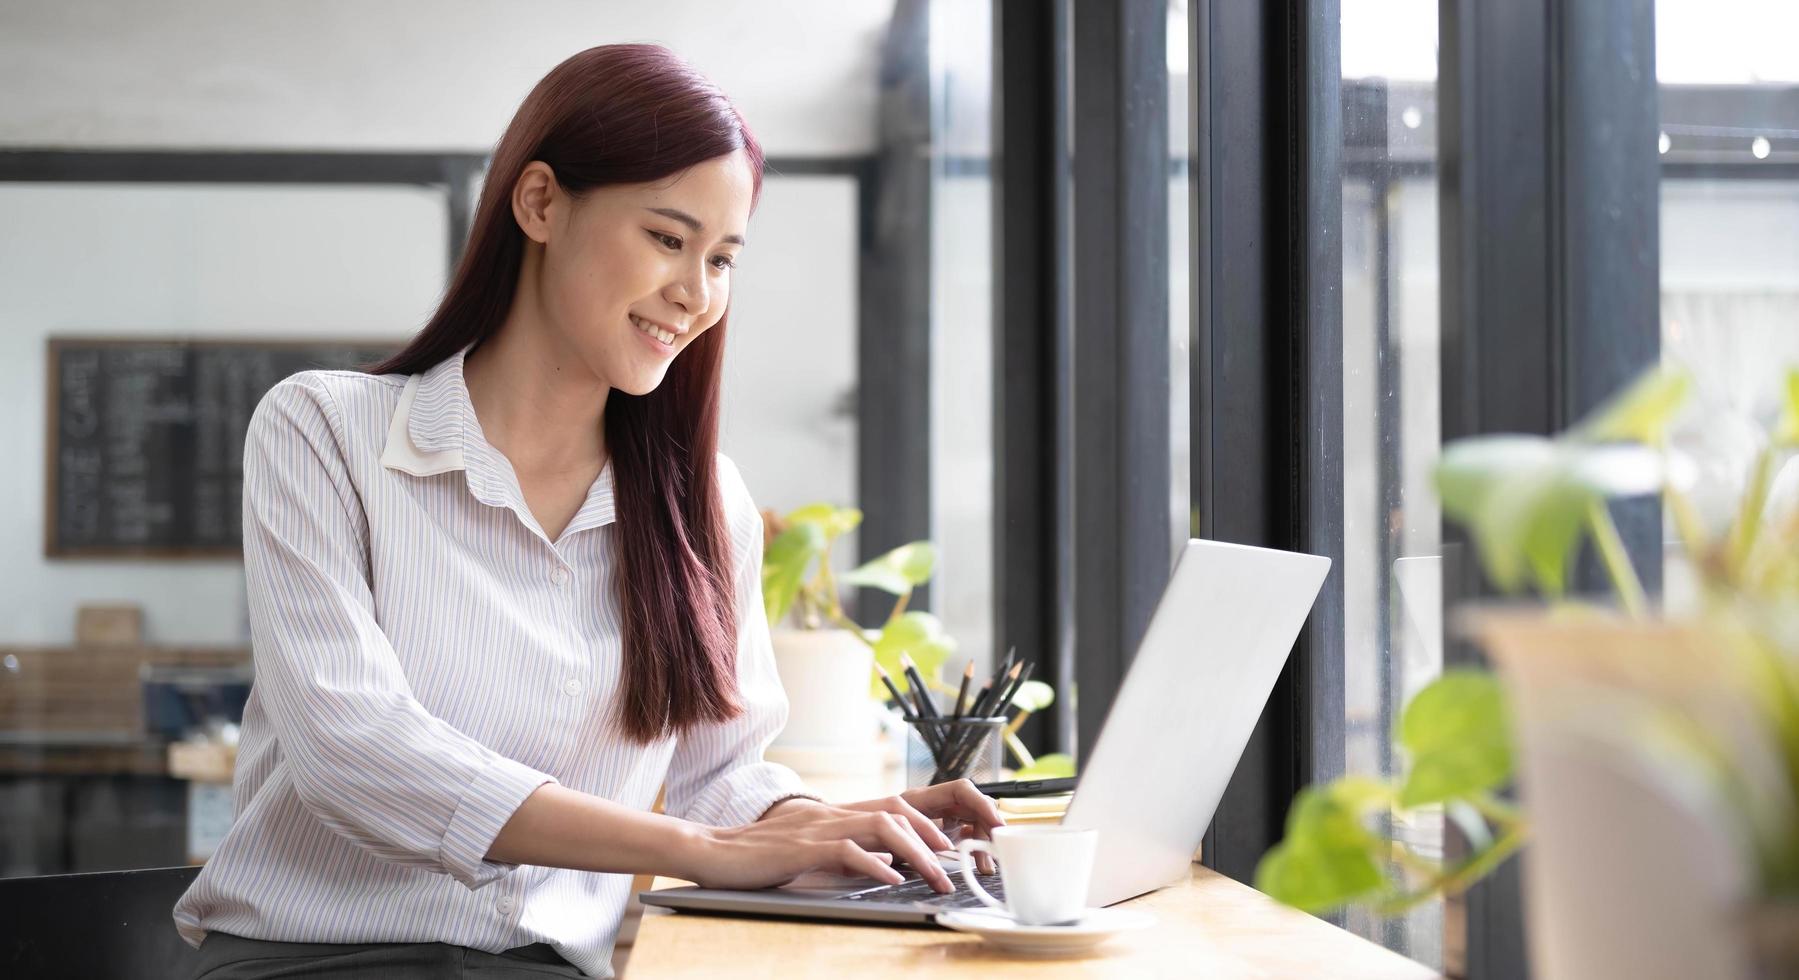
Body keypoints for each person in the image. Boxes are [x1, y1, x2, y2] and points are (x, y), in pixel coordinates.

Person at [172, 43, 1003, 979]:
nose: (696, 295)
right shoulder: (325, 431)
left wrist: (833, 835)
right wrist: (704, 852)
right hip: (310, 961)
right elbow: (352, 748)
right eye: (666, 238)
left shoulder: (702, 502)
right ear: (539, 203)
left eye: (723, 258)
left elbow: (719, 774)